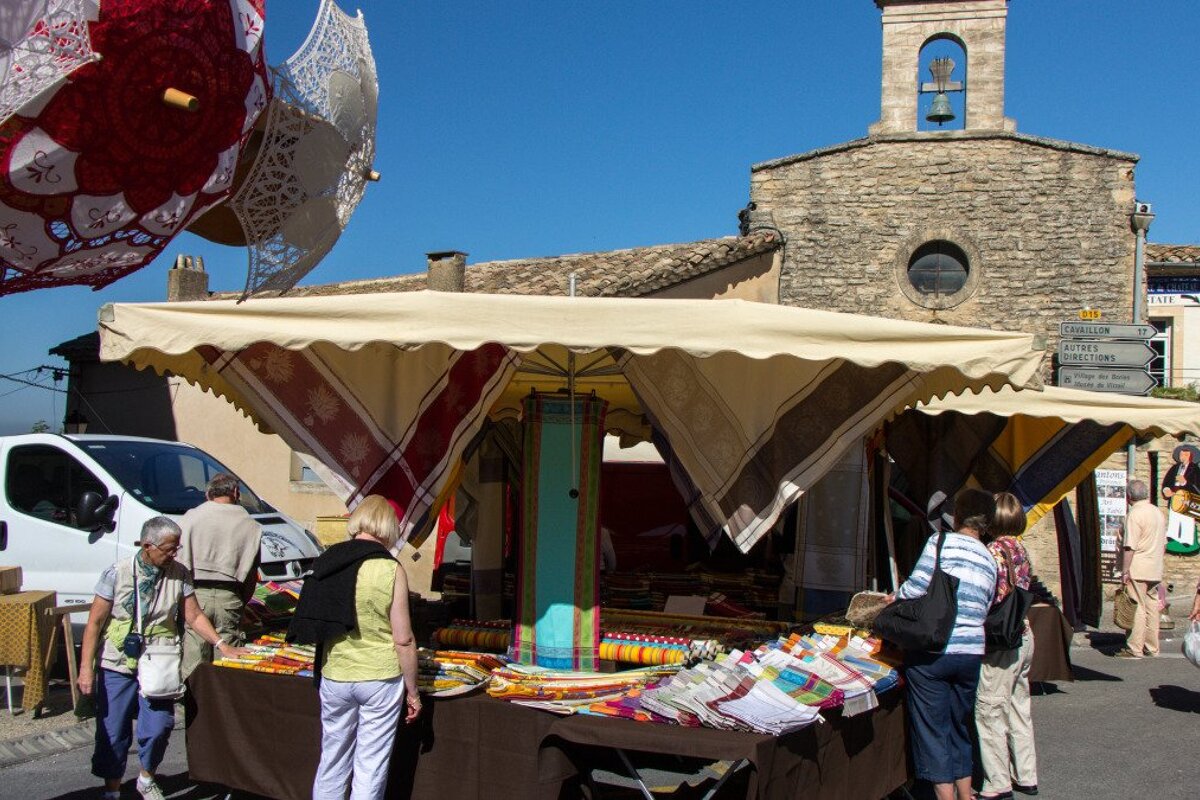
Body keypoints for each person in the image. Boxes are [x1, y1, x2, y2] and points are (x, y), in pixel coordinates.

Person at [78, 516, 243, 800]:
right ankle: (112, 790)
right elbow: (94, 623)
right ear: (147, 546)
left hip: (159, 659)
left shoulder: (179, 574)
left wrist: (221, 644)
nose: (174, 554)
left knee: (158, 727)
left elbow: (194, 615)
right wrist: (86, 669)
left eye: (176, 548)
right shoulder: (116, 573)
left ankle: (146, 777)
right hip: (118, 661)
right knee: (113, 731)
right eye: (169, 549)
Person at [288, 495, 421, 800]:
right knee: (370, 764)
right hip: (379, 676)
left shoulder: (328, 560)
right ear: (388, 528)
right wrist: (413, 691)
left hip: (336, 672)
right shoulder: (389, 568)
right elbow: (404, 638)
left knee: (332, 759)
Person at [890, 487, 997, 800]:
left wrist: (889, 600)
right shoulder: (988, 558)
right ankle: (966, 794)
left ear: (958, 515)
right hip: (971, 652)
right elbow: (986, 604)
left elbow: (915, 588)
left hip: (935, 650)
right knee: (959, 725)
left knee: (933, 730)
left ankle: (945, 797)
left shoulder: (940, 543)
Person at [975, 492, 1039, 799]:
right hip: (1025, 634)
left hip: (1003, 640)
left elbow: (991, 596)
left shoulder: (993, 552)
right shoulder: (1020, 548)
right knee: (1018, 706)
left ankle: (997, 782)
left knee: (990, 709)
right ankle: (1025, 774)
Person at [177, 472, 262, 679]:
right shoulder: (250, 525)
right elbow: (251, 575)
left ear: (208, 494)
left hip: (194, 594)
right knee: (228, 663)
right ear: (236, 492)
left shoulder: (190, 518)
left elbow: (177, 564)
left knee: (194, 663)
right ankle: (223, 709)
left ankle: (191, 708)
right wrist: (241, 601)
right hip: (229, 596)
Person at [1116, 479, 1167, 659]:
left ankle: (1134, 648)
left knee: (1136, 606)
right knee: (1152, 608)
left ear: (1129, 496)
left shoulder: (1135, 514)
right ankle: (1152, 647)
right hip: (1155, 566)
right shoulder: (1157, 512)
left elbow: (1130, 546)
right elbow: (1164, 543)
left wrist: (1124, 570)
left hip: (1138, 566)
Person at [1160, 443, 1200, 553]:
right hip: (1175, 496)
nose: (1183, 456)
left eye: (1185, 455)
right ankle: (1173, 536)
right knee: (1174, 516)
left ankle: (1186, 539)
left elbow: (1198, 488)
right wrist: (1166, 490)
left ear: (1190, 456)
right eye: (1181, 454)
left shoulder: (1195, 469)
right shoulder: (1175, 468)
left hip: (1187, 498)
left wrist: (1185, 482)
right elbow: (1167, 481)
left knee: (1186, 519)